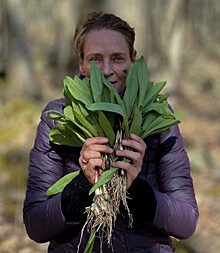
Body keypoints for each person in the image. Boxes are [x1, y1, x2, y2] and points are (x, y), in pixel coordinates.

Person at [23, 12, 199, 253]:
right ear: (81, 63)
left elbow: (187, 221)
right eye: (95, 59)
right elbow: (36, 225)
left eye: (117, 58)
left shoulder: (157, 116)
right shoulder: (58, 118)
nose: (106, 71)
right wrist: (83, 185)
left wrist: (135, 188)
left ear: (133, 60)